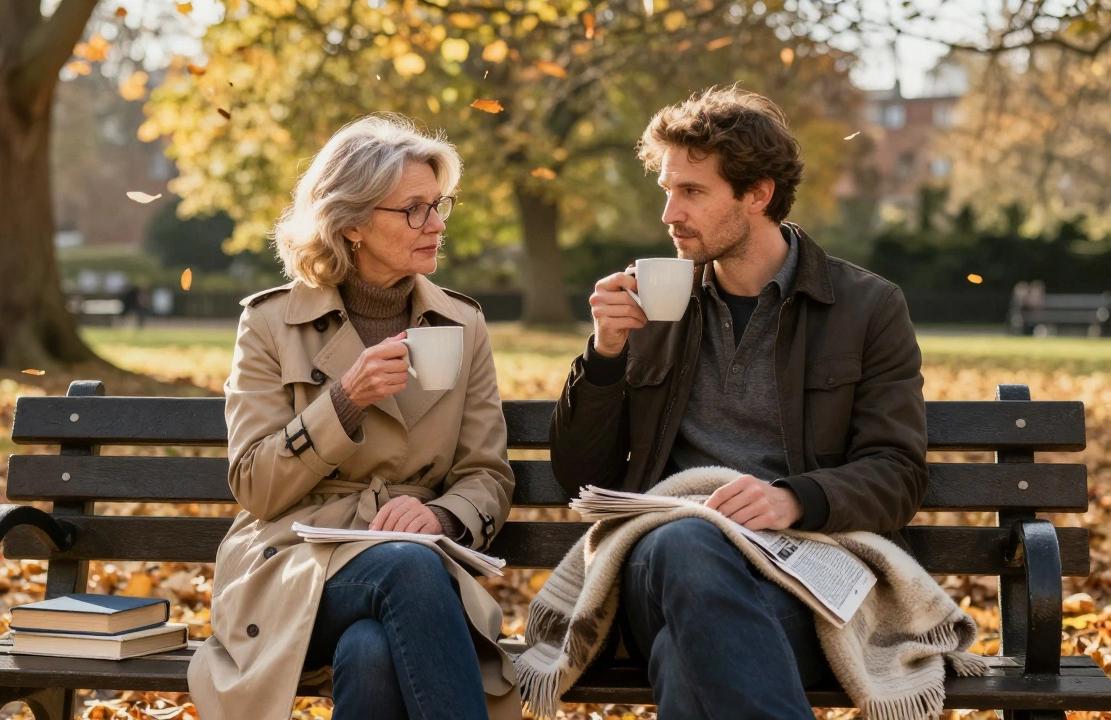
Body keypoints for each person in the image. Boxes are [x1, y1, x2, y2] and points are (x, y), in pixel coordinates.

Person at [550, 86, 929, 719]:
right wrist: (607, 350)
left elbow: (898, 472)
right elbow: (582, 475)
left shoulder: (867, 307)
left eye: (692, 192)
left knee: (683, 658)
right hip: (658, 566)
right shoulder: (649, 304)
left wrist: (792, 497)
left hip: (807, 579)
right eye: (667, 190)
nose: (669, 213)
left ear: (757, 195)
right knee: (685, 545)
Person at [187, 115, 518, 720]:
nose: (437, 224)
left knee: (370, 653)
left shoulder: (462, 324)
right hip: (291, 568)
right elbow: (256, 486)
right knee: (408, 569)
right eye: (414, 209)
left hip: (413, 572)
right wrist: (343, 400)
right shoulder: (270, 322)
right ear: (353, 224)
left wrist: (439, 512)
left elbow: (487, 475)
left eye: (438, 205)